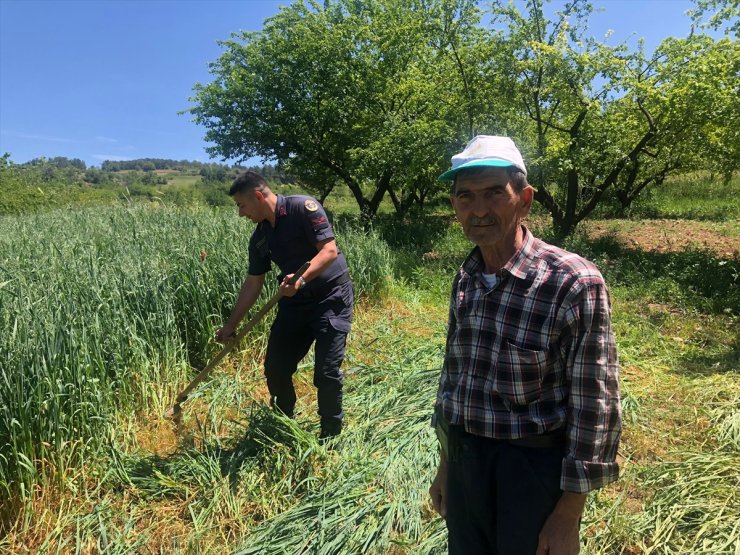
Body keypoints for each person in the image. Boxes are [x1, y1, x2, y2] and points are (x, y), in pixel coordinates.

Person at [428, 136, 621, 554]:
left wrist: (568, 515)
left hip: (530, 470)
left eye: (494, 193)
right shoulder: (467, 276)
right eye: (466, 197)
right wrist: (447, 465)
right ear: (455, 205)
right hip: (465, 461)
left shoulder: (572, 282)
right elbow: (456, 382)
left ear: (525, 199)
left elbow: (595, 405)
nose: (479, 210)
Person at [216, 171, 353, 439]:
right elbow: (253, 283)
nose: (241, 214)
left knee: (326, 372)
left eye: (241, 205)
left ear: (258, 196)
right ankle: (284, 422)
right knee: (276, 368)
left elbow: (329, 250)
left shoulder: (303, 208)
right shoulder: (259, 239)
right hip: (294, 303)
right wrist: (230, 326)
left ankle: (330, 435)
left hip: (331, 297)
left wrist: (301, 277)